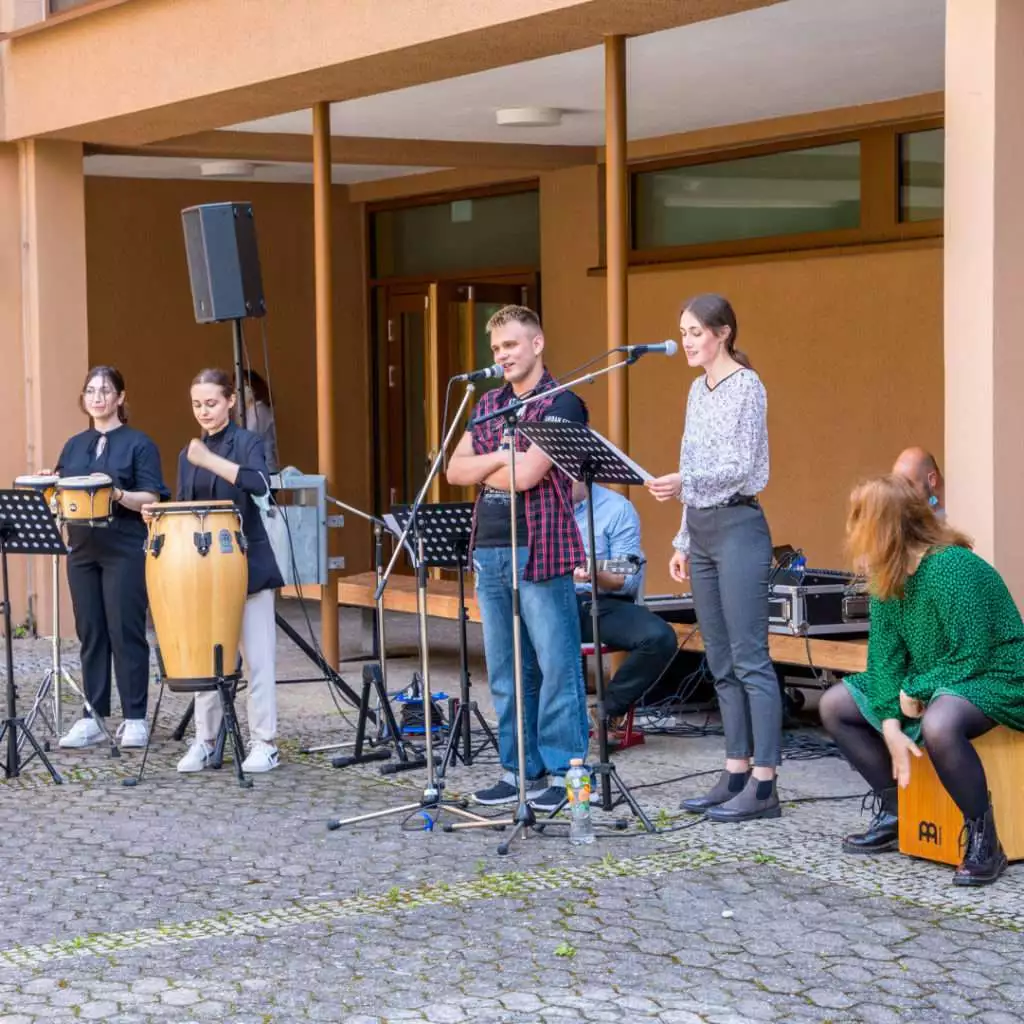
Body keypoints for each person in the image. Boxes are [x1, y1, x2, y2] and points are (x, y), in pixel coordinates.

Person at [819, 475, 1024, 886]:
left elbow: (973, 651)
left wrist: (913, 690)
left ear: (887, 527)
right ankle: (897, 811)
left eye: (859, 521)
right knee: (834, 705)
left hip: (998, 675)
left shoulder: (951, 566)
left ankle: (986, 839)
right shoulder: (887, 578)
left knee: (940, 723)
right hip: (938, 678)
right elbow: (883, 663)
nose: (852, 532)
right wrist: (891, 724)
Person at [445, 304, 589, 812]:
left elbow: (528, 476)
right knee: (506, 671)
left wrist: (495, 465)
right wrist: (501, 461)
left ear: (537, 343)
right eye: (496, 349)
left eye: (510, 345)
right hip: (489, 548)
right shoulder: (488, 403)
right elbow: (453, 469)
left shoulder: (561, 405)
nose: (502, 355)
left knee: (555, 664)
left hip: (539, 546)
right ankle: (516, 768)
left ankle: (563, 771)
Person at [646, 293, 782, 822]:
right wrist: (682, 539)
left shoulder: (747, 387)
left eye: (695, 332)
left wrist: (687, 482)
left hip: (738, 526)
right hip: (701, 529)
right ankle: (735, 770)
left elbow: (739, 464)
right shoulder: (694, 390)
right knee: (719, 659)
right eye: (682, 333)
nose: (686, 342)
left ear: (722, 333)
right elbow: (690, 459)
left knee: (751, 657)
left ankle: (766, 785)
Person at [170, 369, 284, 773]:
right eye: (197, 404)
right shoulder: (190, 453)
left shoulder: (247, 442)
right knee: (208, 660)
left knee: (257, 660)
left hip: (247, 563)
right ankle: (205, 739)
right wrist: (160, 514)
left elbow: (259, 483)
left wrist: (211, 461)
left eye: (212, 403)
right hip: (206, 573)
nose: (204, 411)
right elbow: (185, 504)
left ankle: (264, 742)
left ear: (231, 401)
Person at [55, 366, 168, 750]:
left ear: (120, 397)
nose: (97, 397)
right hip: (82, 549)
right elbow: (61, 490)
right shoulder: (73, 445)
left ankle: (135, 717)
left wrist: (117, 494)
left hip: (124, 545)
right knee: (91, 632)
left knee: (126, 631)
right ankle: (92, 715)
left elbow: (151, 498)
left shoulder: (139, 443)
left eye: (105, 390)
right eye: (90, 391)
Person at [571, 480, 678, 742]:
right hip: (550, 599)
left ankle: (608, 709)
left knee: (659, 637)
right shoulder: (535, 505)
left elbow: (624, 577)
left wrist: (592, 574)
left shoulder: (616, 508)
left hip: (601, 601)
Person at [242, 369, 279, 474]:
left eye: (244, 385)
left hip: (264, 471)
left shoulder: (259, 410)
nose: (237, 390)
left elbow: (248, 438)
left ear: (253, 387)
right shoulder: (247, 411)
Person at [892, 446, 945, 518]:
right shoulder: (929, 508)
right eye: (898, 487)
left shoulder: (959, 513)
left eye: (909, 486)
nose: (902, 494)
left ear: (932, 480)